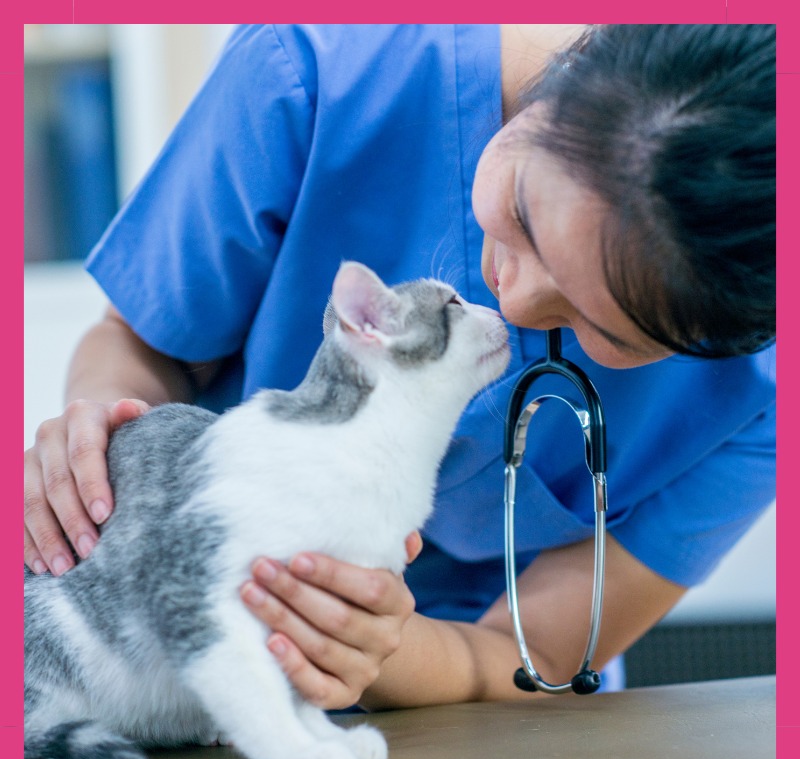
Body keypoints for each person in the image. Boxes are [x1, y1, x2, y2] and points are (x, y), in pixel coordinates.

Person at [24, 24, 775, 710]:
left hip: (490, 718)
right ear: (575, 54)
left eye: (599, 325)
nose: (511, 303)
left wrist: (375, 646)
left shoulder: (762, 398)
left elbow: (536, 654)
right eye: (523, 211)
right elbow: (141, 341)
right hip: (190, 644)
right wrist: (103, 430)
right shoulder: (315, 66)